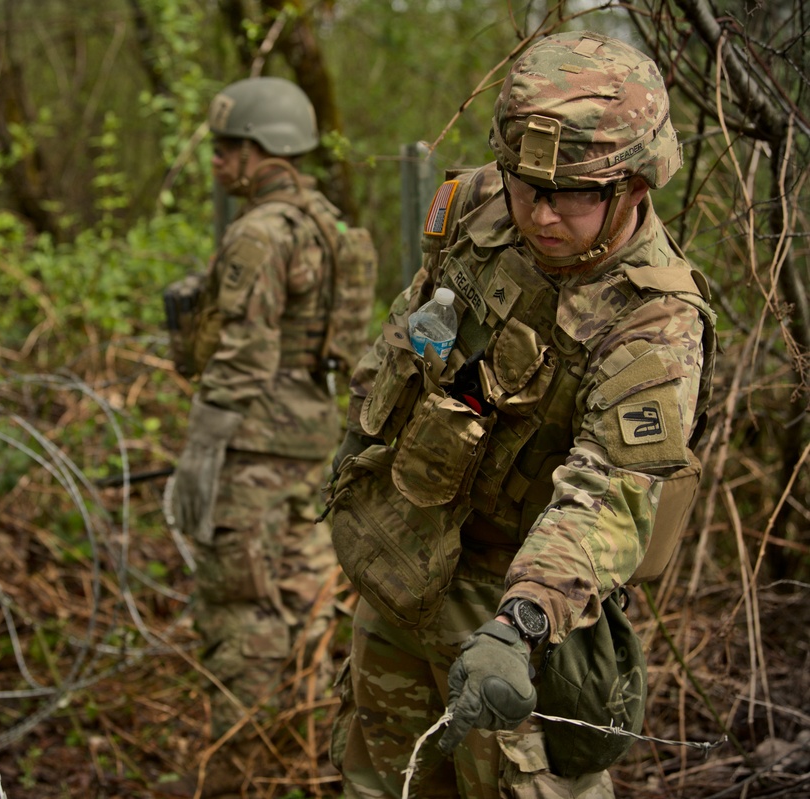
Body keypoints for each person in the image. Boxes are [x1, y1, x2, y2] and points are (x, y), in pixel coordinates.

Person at [326, 31, 717, 799]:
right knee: (381, 779)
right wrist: (358, 450)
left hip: (521, 607)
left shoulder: (655, 321)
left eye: (573, 192)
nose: (539, 213)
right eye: (525, 183)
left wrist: (522, 622)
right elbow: (416, 321)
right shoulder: (477, 203)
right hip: (408, 555)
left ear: (636, 185)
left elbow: (606, 491)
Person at [168, 75, 374, 796]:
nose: (218, 164)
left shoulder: (259, 233)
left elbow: (244, 355)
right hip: (311, 438)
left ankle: (235, 770)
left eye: (228, 149)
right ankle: (308, 753)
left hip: (254, 446)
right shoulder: (326, 221)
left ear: (261, 152)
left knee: (241, 607)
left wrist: (202, 446)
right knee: (307, 597)